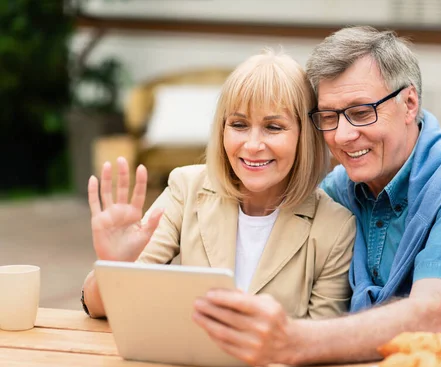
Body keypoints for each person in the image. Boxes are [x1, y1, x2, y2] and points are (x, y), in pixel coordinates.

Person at [191, 26, 441, 367]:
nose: (343, 135)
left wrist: (294, 340)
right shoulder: (338, 191)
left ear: (410, 103)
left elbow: (431, 313)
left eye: (362, 113)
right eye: (329, 117)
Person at [81, 50, 356, 321]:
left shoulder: (335, 227)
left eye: (273, 127)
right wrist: (114, 267)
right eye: (239, 124)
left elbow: (319, 343)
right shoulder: (186, 188)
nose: (252, 145)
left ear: (304, 136)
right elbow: (99, 308)